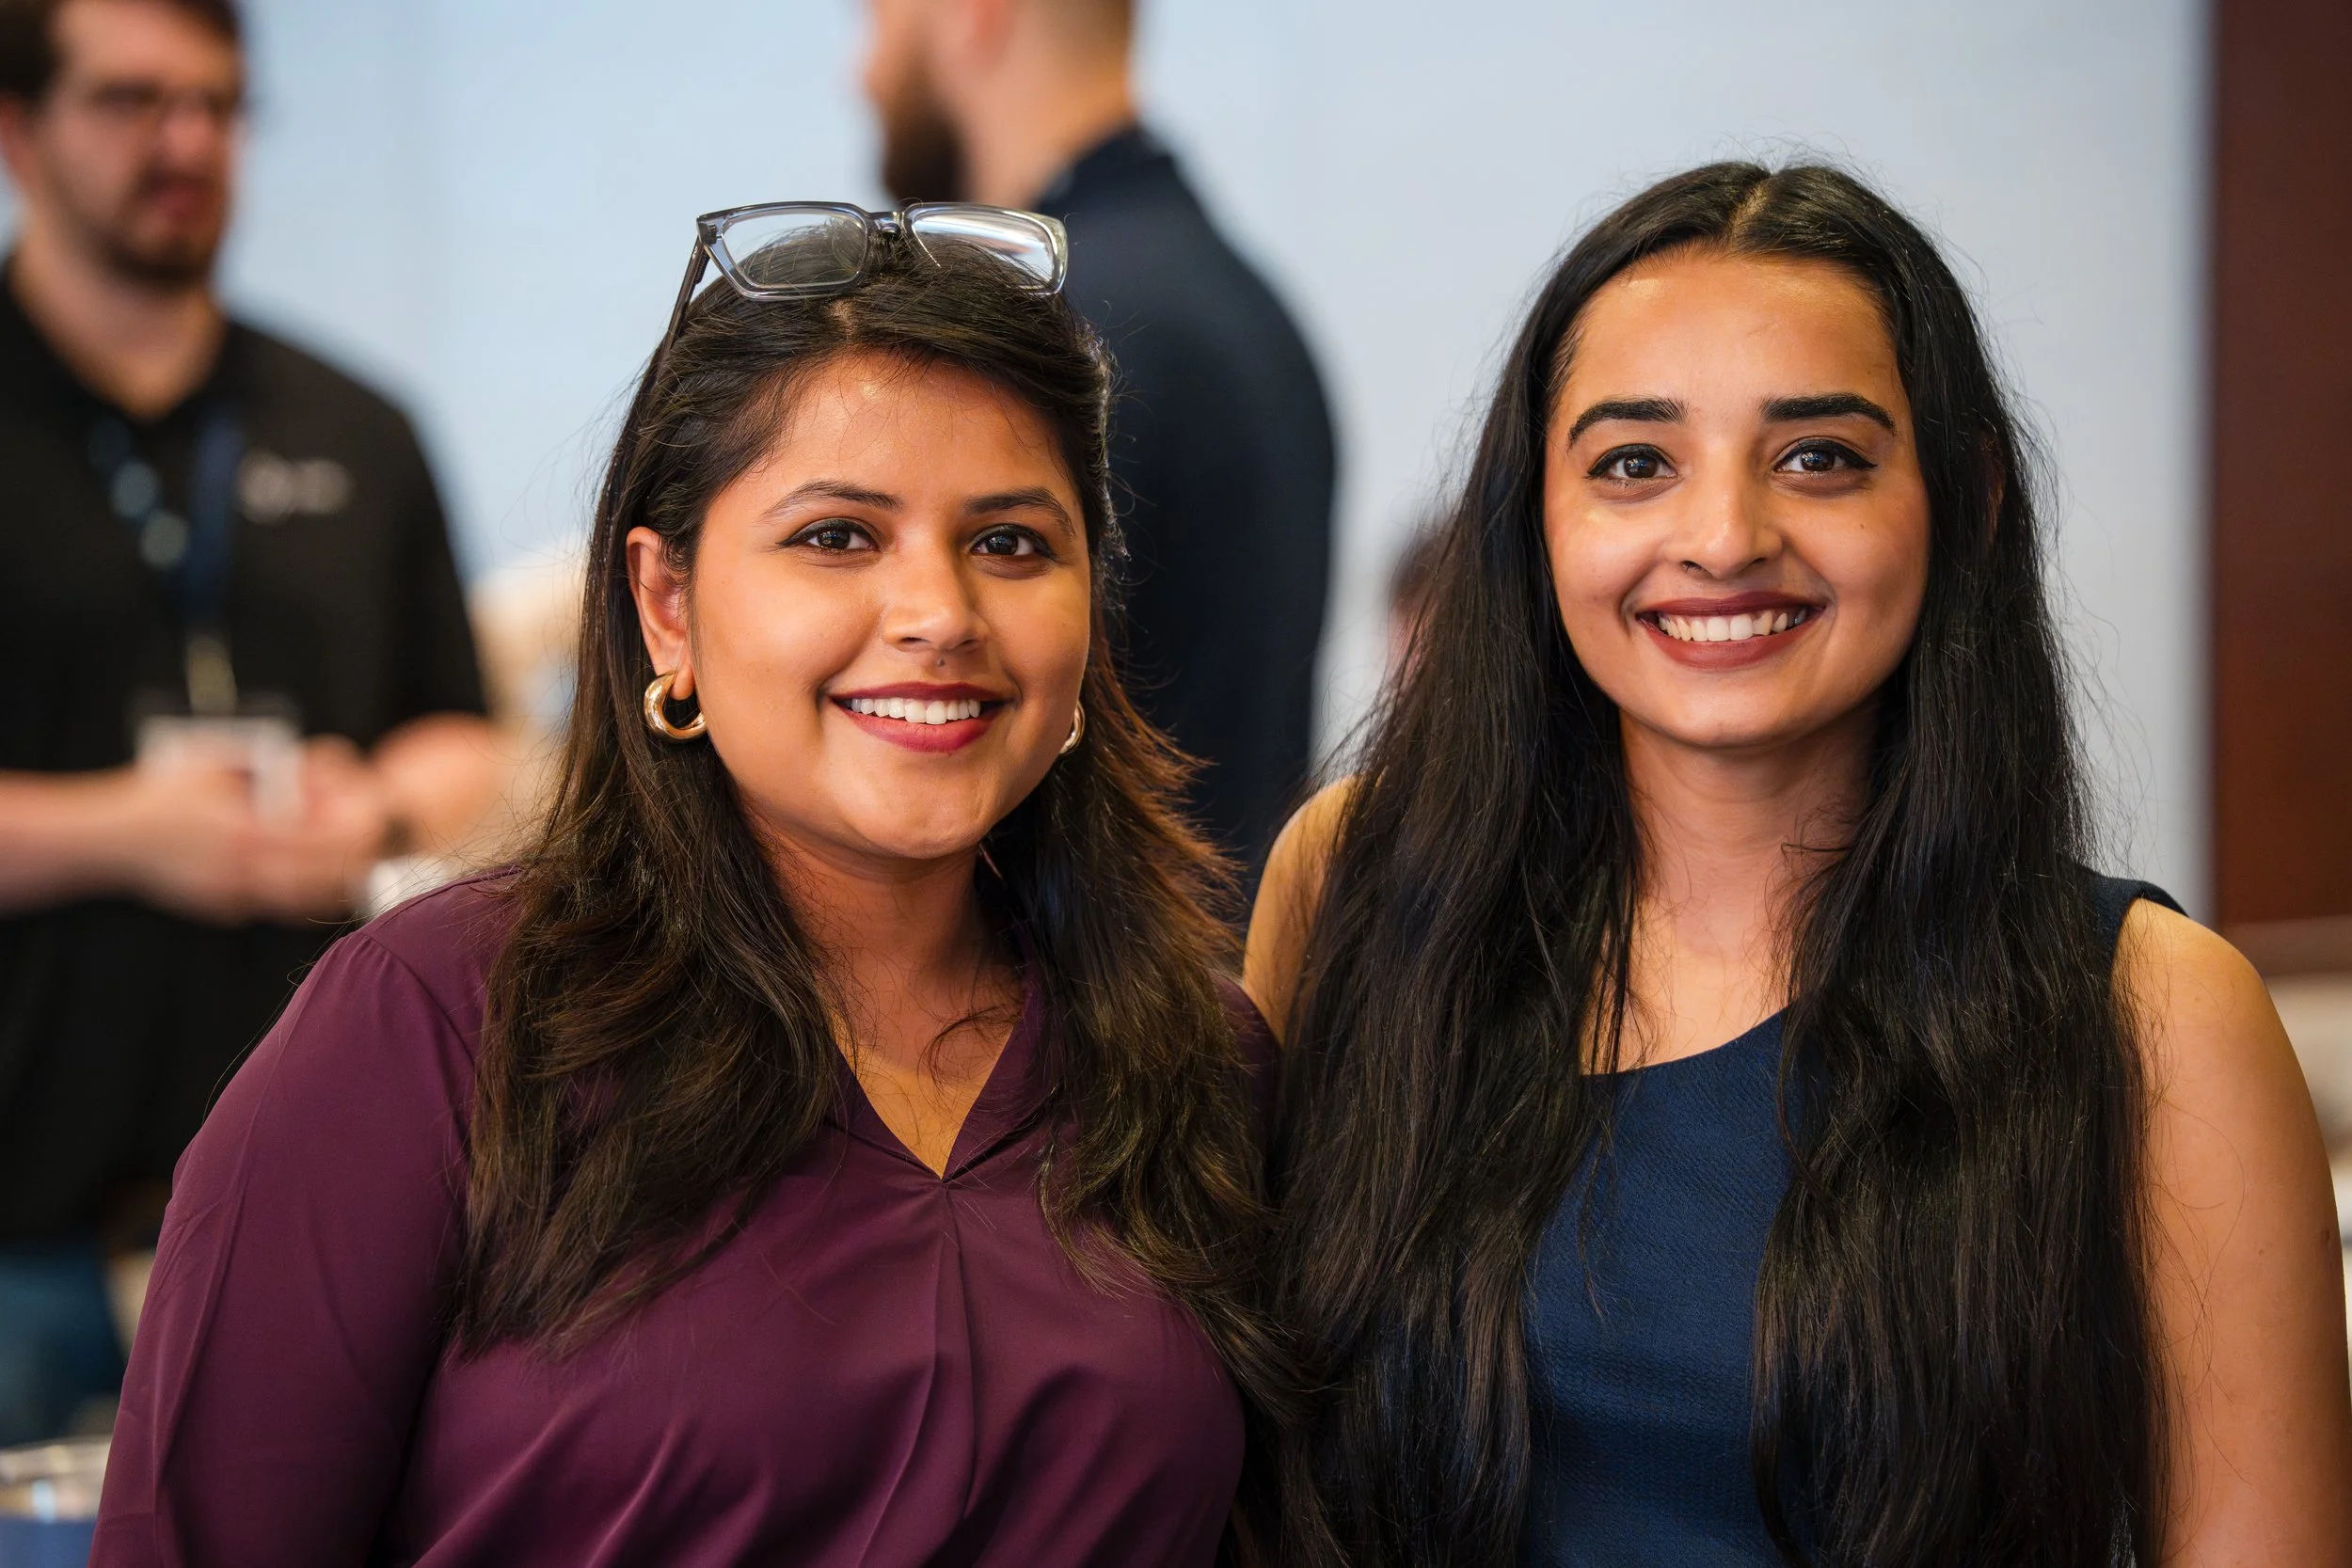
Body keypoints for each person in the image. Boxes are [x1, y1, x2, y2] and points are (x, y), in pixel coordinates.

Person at [93, 202, 1284, 1565]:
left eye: (1012, 541)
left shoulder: (1197, 1064)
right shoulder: (433, 1029)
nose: (941, 612)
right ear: (667, 603)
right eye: (838, 535)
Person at [1247, 164, 2352, 1565]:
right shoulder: (1356, 887)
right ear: (1537, 511)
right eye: (1634, 462)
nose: (1723, 538)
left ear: (1969, 496)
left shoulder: (2158, 1017)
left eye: (1819, 455)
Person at [0, 0, 497, 1444]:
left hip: (330, 1210)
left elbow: (466, 736)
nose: (189, 143)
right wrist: (127, 836)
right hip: (23, 1213)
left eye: (219, 106)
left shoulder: (358, 425)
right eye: (135, 102)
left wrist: (380, 812)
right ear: (19, 130)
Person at [861, 0, 1335, 876]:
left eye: (873, 21)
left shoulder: (1071, 332)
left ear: (973, 16)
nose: (859, 73)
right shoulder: (1245, 304)